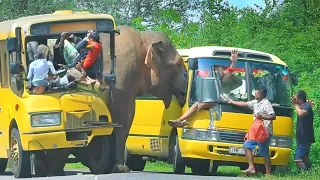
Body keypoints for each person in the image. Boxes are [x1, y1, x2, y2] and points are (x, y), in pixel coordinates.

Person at [168, 49, 242, 128]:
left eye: (219, 68)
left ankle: (181, 120)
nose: (218, 70)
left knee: (198, 104)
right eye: (216, 68)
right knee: (198, 105)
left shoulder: (223, 80)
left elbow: (231, 74)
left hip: (219, 100)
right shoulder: (210, 78)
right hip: (212, 99)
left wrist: (234, 62)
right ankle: (182, 120)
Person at [228, 87, 276, 176]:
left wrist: (263, 117)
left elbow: (273, 116)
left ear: (261, 94)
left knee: (264, 152)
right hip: (256, 131)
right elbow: (244, 104)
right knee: (246, 145)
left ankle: (268, 174)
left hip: (264, 131)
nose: (255, 94)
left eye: (257, 93)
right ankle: (251, 168)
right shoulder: (255, 102)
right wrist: (232, 102)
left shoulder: (266, 103)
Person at [292, 90, 315, 172]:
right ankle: (311, 172)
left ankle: (306, 174)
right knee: (305, 158)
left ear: (299, 99)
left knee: (298, 159)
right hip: (302, 137)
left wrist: (295, 105)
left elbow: (301, 113)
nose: (294, 97)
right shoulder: (304, 106)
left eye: (295, 96)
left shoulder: (306, 107)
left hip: (305, 137)